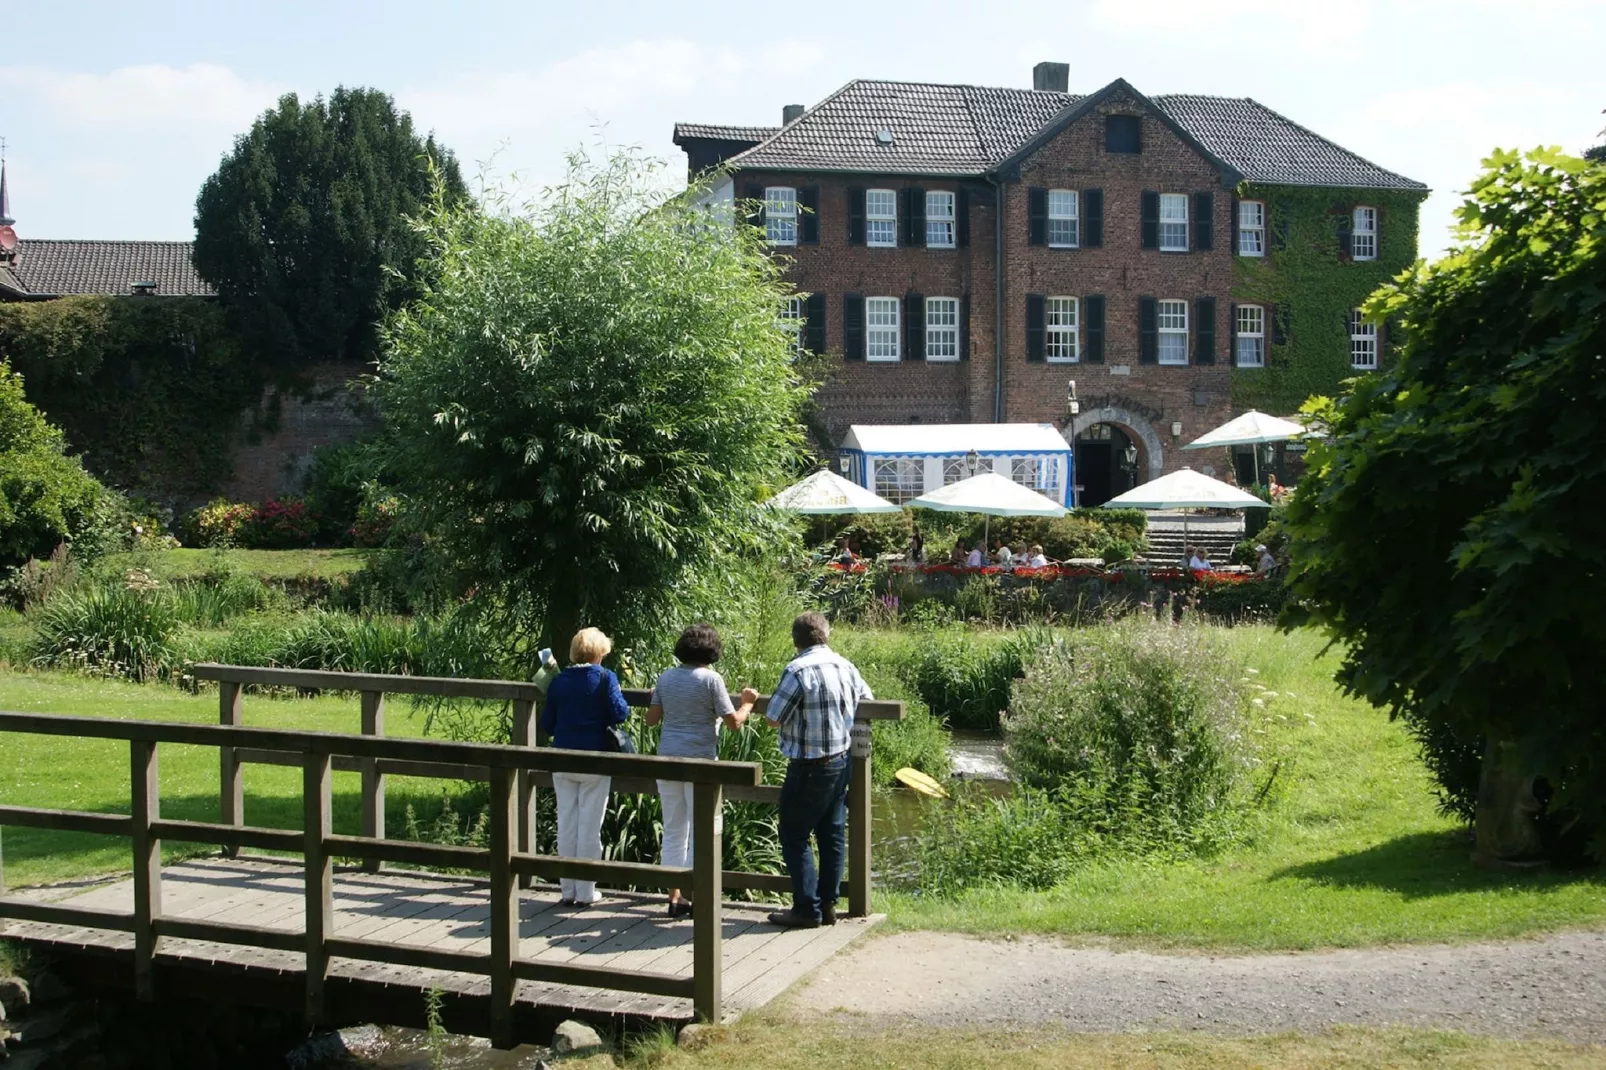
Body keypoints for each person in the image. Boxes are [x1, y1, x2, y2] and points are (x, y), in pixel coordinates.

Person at [762, 612, 871, 928]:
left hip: (809, 764)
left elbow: (773, 717)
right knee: (832, 832)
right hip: (841, 760)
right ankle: (829, 904)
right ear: (827, 634)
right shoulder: (845, 665)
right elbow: (868, 700)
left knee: (794, 834)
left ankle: (807, 909)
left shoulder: (797, 670)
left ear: (795, 640)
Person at [645, 624, 755, 918]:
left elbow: (651, 720)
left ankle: (674, 897)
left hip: (667, 761)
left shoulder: (666, 678)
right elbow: (733, 722)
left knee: (674, 830)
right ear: (712, 651)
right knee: (701, 831)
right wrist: (747, 704)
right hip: (701, 763)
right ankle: (697, 897)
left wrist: (659, 697)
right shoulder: (711, 680)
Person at [539, 627, 630, 907]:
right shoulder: (605, 677)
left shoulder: (558, 681)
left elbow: (547, 724)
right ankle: (586, 890)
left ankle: (567, 889)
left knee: (566, 823)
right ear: (598, 654)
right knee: (590, 827)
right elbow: (620, 713)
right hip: (594, 760)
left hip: (563, 759)